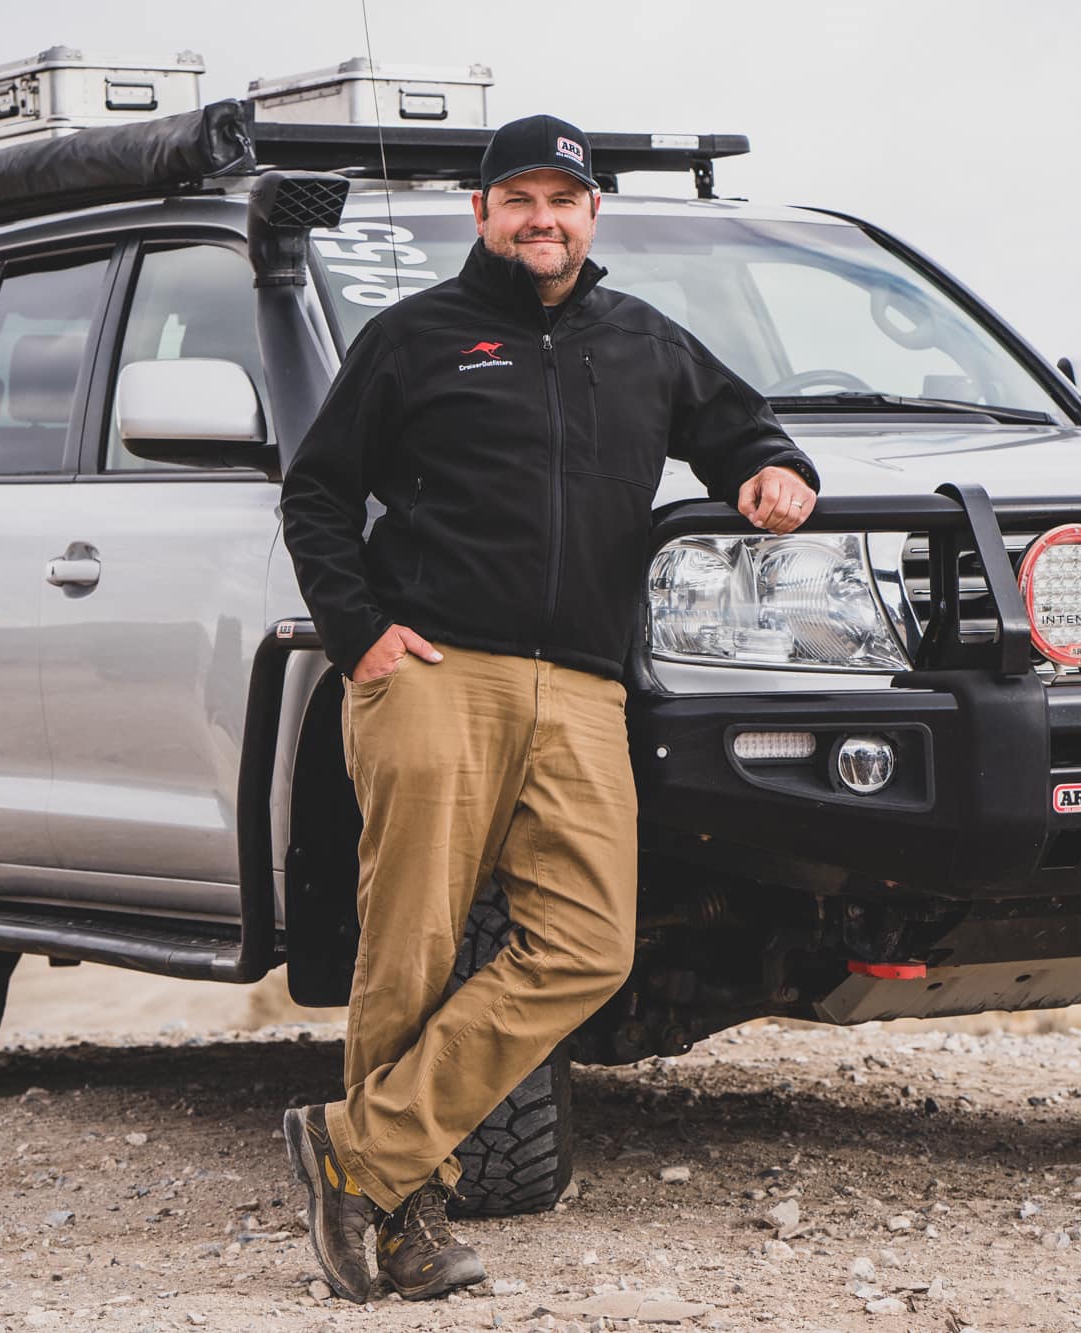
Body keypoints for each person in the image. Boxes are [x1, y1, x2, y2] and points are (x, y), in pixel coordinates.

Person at [278, 113, 820, 1303]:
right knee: (412, 946)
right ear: (479, 213)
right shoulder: (413, 338)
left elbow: (741, 430)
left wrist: (774, 471)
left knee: (586, 945)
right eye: (517, 199)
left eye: (561, 200)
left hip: (581, 689)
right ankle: (401, 1216)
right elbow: (315, 493)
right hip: (435, 674)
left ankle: (357, 1150)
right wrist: (360, 634)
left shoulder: (641, 341)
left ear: (590, 213)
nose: (541, 219)